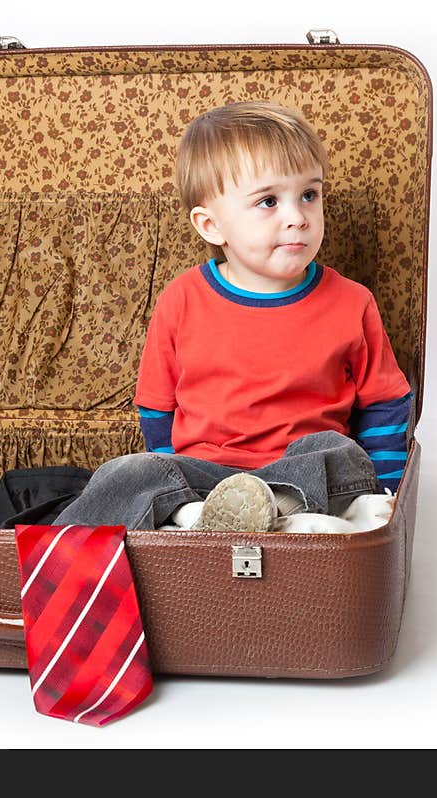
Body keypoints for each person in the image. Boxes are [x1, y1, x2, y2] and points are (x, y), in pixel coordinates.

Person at [53, 100, 413, 532]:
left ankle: (274, 510)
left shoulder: (352, 302)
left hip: (304, 475)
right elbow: (157, 412)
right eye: (267, 202)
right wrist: (174, 484)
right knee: (128, 472)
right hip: (205, 479)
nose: (297, 217)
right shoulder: (181, 300)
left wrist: (387, 500)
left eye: (309, 195)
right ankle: (194, 517)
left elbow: (385, 406)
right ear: (211, 226)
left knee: (336, 451)